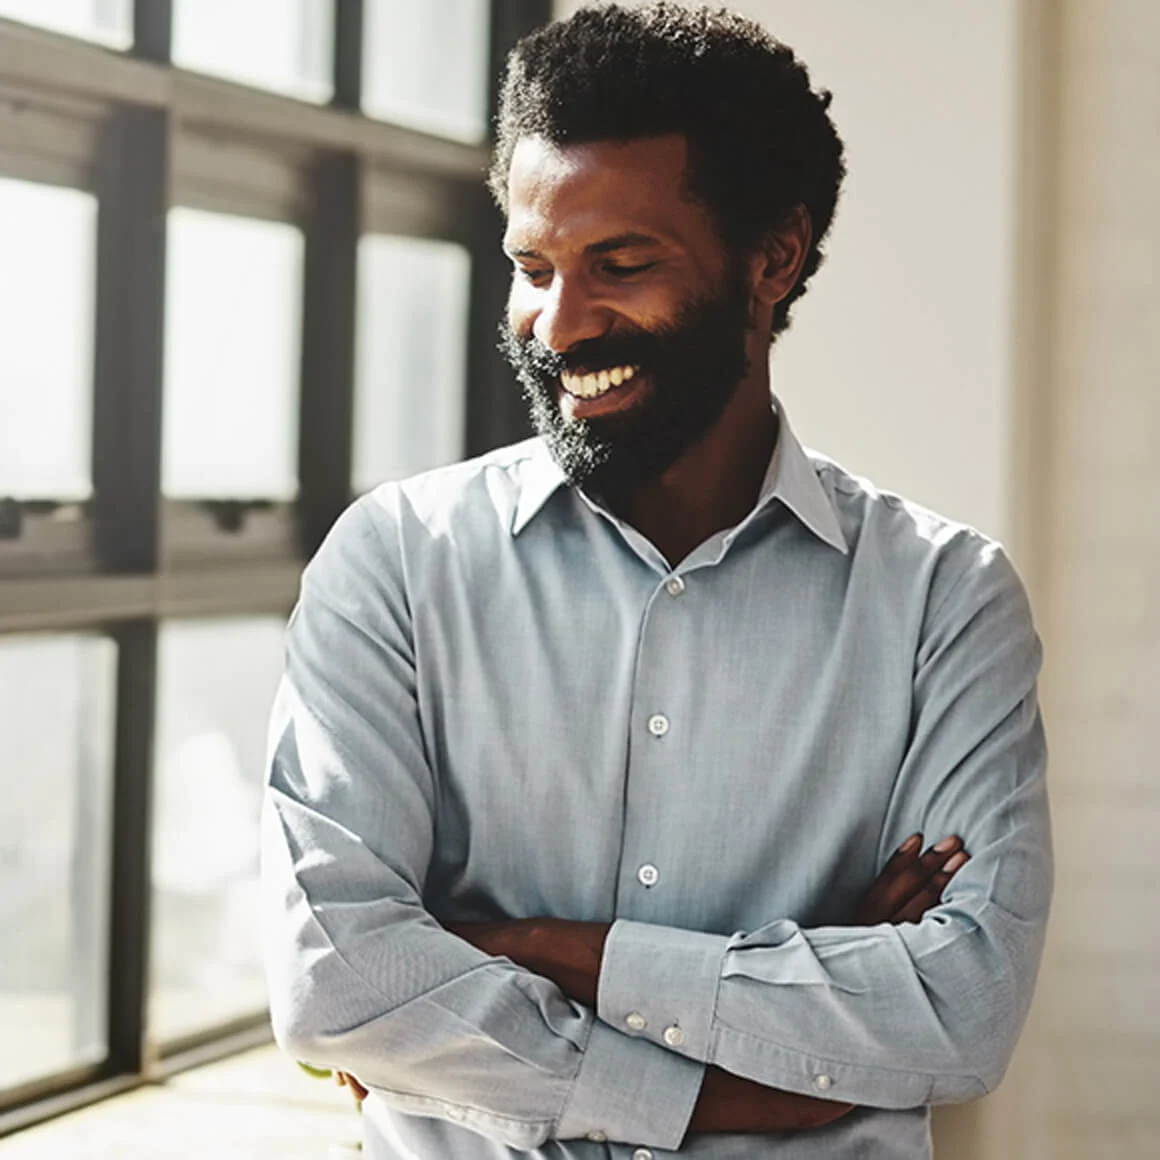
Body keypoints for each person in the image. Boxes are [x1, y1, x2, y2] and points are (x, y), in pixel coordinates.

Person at [261, 5, 1052, 1158]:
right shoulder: (394, 562)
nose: (562, 322)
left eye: (620, 265)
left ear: (769, 258)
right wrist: (753, 1063)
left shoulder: (944, 600)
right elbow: (339, 979)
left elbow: (956, 1009)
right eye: (531, 269)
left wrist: (530, 945)